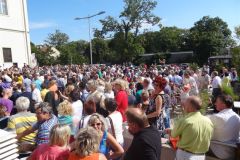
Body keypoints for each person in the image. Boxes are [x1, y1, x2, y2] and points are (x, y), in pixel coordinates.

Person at [208, 94, 240, 159]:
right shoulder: (237, 117)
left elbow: (203, 124)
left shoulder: (218, 117)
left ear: (224, 104)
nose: (215, 103)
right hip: (233, 151)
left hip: (219, 152)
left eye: (217, 102)